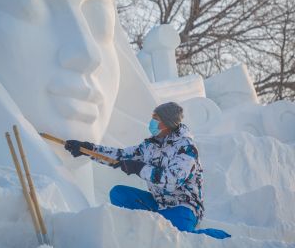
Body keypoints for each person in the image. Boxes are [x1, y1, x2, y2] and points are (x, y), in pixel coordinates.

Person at [65, 102, 231, 239]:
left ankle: (219, 238)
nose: (151, 121)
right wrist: (87, 149)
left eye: (155, 118)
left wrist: (140, 168)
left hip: (183, 206)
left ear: (167, 123)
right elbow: (120, 155)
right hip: (158, 202)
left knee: (178, 238)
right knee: (118, 193)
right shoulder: (150, 146)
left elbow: (172, 181)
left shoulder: (186, 148)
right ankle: (145, 227)